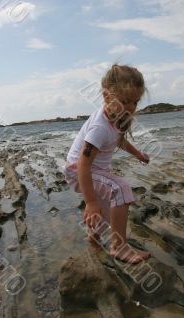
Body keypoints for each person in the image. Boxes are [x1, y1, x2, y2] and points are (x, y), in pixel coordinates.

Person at [64, 63, 150, 264]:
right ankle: (119, 247)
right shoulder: (99, 128)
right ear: (107, 96)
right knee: (121, 189)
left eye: (135, 103)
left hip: (93, 169)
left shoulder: (116, 117)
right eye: (125, 101)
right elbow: (83, 165)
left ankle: (93, 237)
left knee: (105, 206)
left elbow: (118, 139)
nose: (130, 108)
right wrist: (89, 202)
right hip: (79, 170)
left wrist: (137, 153)